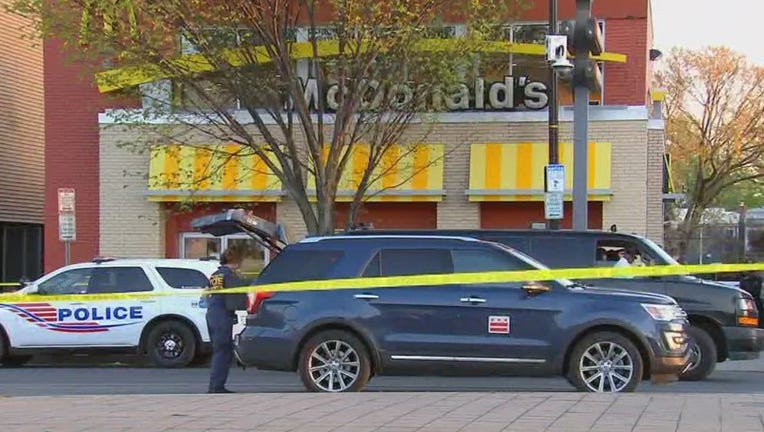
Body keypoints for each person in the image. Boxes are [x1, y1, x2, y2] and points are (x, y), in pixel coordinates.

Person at [205, 244, 250, 394]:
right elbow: (237, 297)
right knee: (223, 351)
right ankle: (216, 386)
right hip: (222, 315)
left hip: (212, 314)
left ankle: (216, 385)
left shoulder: (216, 274)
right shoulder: (230, 275)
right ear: (236, 261)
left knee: (220, 350)